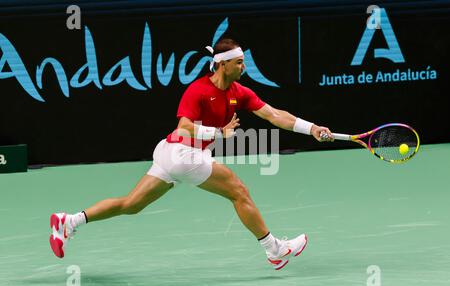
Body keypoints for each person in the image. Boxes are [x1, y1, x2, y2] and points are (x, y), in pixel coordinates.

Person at [49, 38, 334, 270]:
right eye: (239, 62)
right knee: (239, 191)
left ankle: (69, 221)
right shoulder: (198, 90)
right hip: (179, 152)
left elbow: (274, 115)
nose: (244, 66)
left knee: (131, 205)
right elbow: (184, 127)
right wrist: (217, 134)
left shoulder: (238, 91)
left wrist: (311, 128)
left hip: (172, 156)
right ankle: (274, 249)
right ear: (222, 65)